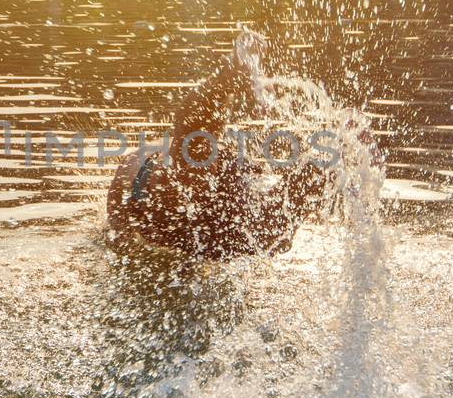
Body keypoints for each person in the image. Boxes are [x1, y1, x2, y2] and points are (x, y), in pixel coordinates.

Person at [107, 34, 349, 260]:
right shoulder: (166, 174)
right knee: (270, 233)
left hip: (177, 204)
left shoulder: (155, 181)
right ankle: (325, 165)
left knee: (269, 232)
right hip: (190, 206)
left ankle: (323, 166)